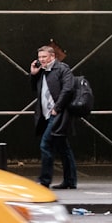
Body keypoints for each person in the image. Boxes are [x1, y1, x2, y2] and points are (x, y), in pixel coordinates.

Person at [30, 44, 78, 189]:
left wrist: (57, 108)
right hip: (46, 114)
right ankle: (70, 181)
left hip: (58, 114)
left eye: (44, 57)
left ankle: (45, 180)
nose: (41, 60)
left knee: (45, 144)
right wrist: (33, 74)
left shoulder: (62, 69)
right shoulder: (42, 71)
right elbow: (34, 90)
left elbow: (68, 89)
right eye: (39, 57)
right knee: (62, 147)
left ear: (52, 57)